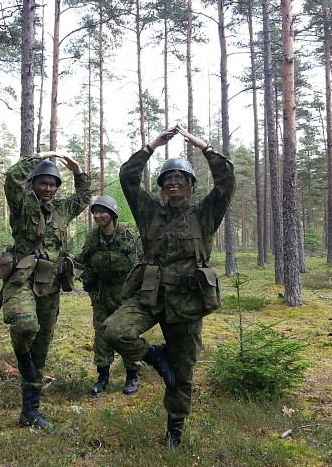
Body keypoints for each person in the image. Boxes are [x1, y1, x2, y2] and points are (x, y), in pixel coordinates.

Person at [103, 124, 235, 447]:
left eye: (180, 178)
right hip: (151, 297)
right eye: (168, 179)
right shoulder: (149, 212)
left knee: (183, 372)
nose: (174, 182)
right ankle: (154, 357)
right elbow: (128, 179)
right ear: (162, 187)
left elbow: (227, 182)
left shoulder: (204, 214)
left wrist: (203, 147)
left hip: (187, 303)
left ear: (190, 185)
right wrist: (151, 146)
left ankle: (174, 432)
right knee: (114, 331)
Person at [1, 151, 90, 429]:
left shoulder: (62, 210)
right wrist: (42, 155)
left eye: (53, 184)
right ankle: (21, 359)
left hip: (50, 284)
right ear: (34, 184)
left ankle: (30, 411)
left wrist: (77, 171)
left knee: (41, 347)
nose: (49, 188)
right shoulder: (23, 204)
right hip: (22, 279)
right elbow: (11, 177)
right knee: (26, 325)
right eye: (43, 183)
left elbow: (85, 196)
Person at [77, 195, 142, 396]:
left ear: (112, 214)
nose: (98, 216)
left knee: (126, 333)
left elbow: (140, 262)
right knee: (101, 335)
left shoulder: (127, 235)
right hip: (100, 294)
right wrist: (85, 276)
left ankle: (132, 375)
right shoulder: (93, 237)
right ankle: (103, 377)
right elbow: (84, 260)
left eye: (102, 212)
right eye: (95, 212)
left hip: (124, 293)